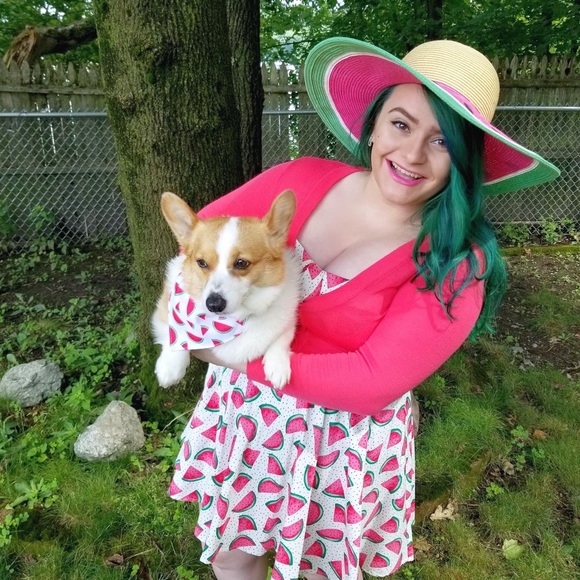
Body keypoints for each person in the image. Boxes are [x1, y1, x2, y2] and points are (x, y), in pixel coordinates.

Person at [167, 37, 560, 580]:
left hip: (340, 448)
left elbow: (371, 380)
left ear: (464, 161)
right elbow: (195, 248)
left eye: (441, 141)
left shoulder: (454, 262)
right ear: (373, 126)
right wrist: (183, 321)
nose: (412, 155)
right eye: (401, 124)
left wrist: (223, 352)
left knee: (318, 567)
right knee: (235, 557)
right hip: (248, 419)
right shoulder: (299, 180)